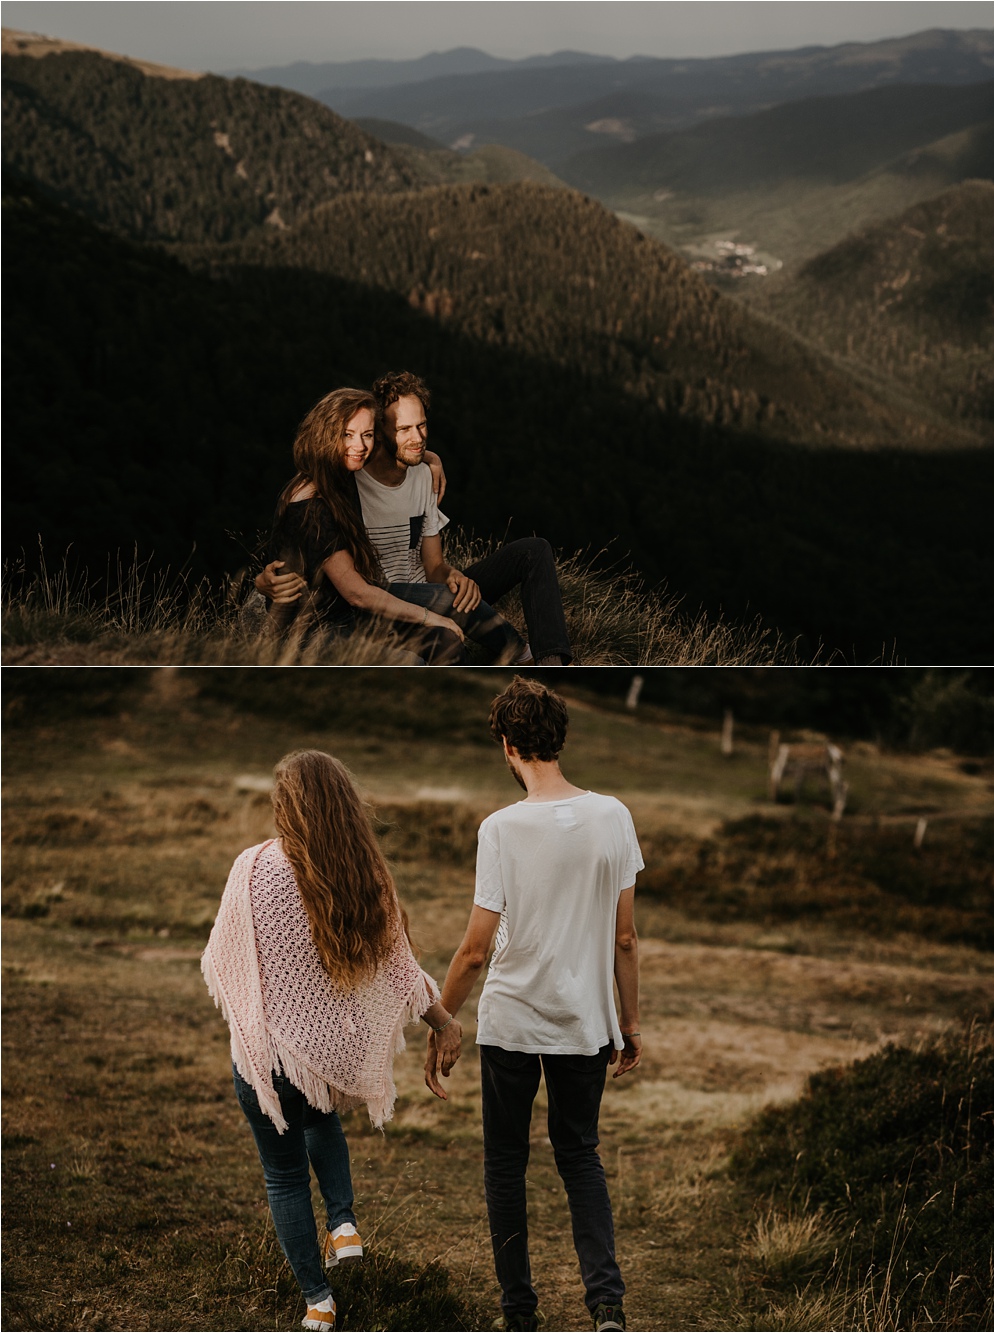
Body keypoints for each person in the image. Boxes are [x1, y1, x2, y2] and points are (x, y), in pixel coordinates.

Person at [202, 750, 462, 1333]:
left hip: (266, 1061)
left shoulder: (252, 868)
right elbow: (399, 968)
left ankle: (319, 1300)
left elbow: (226, 957)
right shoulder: (367, 876)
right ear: (345, 806)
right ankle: (342, 1223)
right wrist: (443, 1021)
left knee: (284, 1176)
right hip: (324, 1056)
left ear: (285, 808)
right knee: (322, 1120)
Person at [423, 677, 643, 1333]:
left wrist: (441, 1019)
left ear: (509, 743)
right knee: (580, 1155)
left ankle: (519, 1312)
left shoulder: (501, 828)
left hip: (512, 1020)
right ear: (559, 738)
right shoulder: (614, 815)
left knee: (505, 1165)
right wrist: (628, 1022)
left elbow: (473, 950)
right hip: (585, 1022)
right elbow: (625, 936)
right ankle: (606, 1304)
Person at [259, 372, 573, 665]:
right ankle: (509, 656)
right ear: (384, 433)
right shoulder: (347, 476)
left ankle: (548, 660)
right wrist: (263, 582)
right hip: (377, 601)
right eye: (403, 429)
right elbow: (300, 536)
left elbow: (434, 565)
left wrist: (455, 576)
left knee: (533, 550)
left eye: (421, 426)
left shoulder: (421, 472)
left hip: (423, 590)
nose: (418, 438)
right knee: (447, 626)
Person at [262, 386, 467, 663]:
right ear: (326, 433)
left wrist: (431, 458)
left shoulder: (343, 470)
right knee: (413, 661)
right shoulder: (311, 504)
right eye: (347, 434)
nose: (359, 446)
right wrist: (431, 618)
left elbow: (396, 450)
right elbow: (357, 594)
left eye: (367, 435)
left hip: (353, 618)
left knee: (447, 642)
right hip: (316, 632)